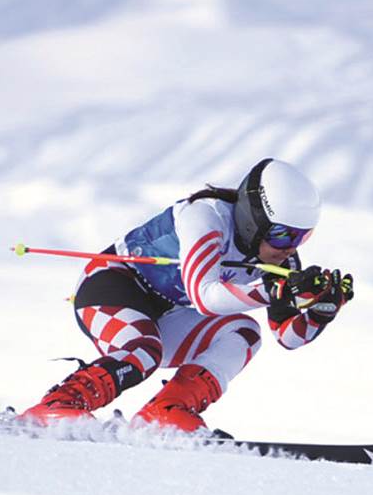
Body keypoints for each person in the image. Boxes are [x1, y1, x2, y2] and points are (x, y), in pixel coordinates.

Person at [20, 157, 353, 431]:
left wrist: (319, 311)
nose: (290, 248)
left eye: (302, 238)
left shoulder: (280, 256)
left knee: (245, 333)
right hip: (113, 286)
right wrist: (271, 290)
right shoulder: (206, 216)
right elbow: (204, 296)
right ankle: (58, 405)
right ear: (254, 220)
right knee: (143, 349)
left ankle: (166, 413)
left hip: (169, 312)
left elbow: (287, 337)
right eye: (282, 235)